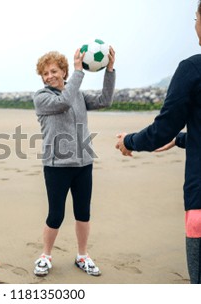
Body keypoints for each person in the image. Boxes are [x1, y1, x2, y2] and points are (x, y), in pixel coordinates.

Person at [115, 1, 201, 284]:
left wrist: (130, 141)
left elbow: (162, 129)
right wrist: (182, 140)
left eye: (194, 17)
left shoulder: (192, 69)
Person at [32, 47, 116, 276]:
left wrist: (109, 70)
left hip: (83, 164)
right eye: (45, 74)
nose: (49, 76)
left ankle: (82, 256)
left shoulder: (76, 92)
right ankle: (45, 256)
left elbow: (105, 100)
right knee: (56, 215)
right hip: (56, 166)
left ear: (63, 71)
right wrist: (79, 72)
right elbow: (64, 102)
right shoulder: (42, 97)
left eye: (53, 71)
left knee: (83, 212)